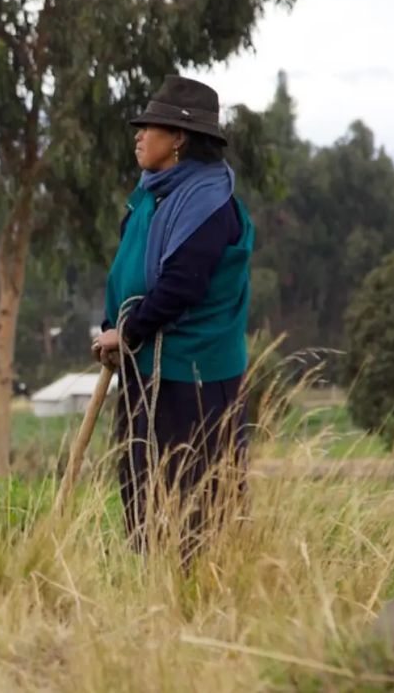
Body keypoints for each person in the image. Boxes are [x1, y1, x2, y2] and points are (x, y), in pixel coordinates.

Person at [93, 76, 256, 563]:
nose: (139, 137)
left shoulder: (209, 204)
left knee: (196, 491)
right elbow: (127, 268)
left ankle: (201, 593)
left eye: (150, 129)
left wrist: (129, 331)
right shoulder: (150, 196)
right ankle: (152, 589)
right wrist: (110, 329)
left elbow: (182, 285)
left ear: (179, 138)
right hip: (144, 366)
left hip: (196, 376)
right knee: (142, 488)